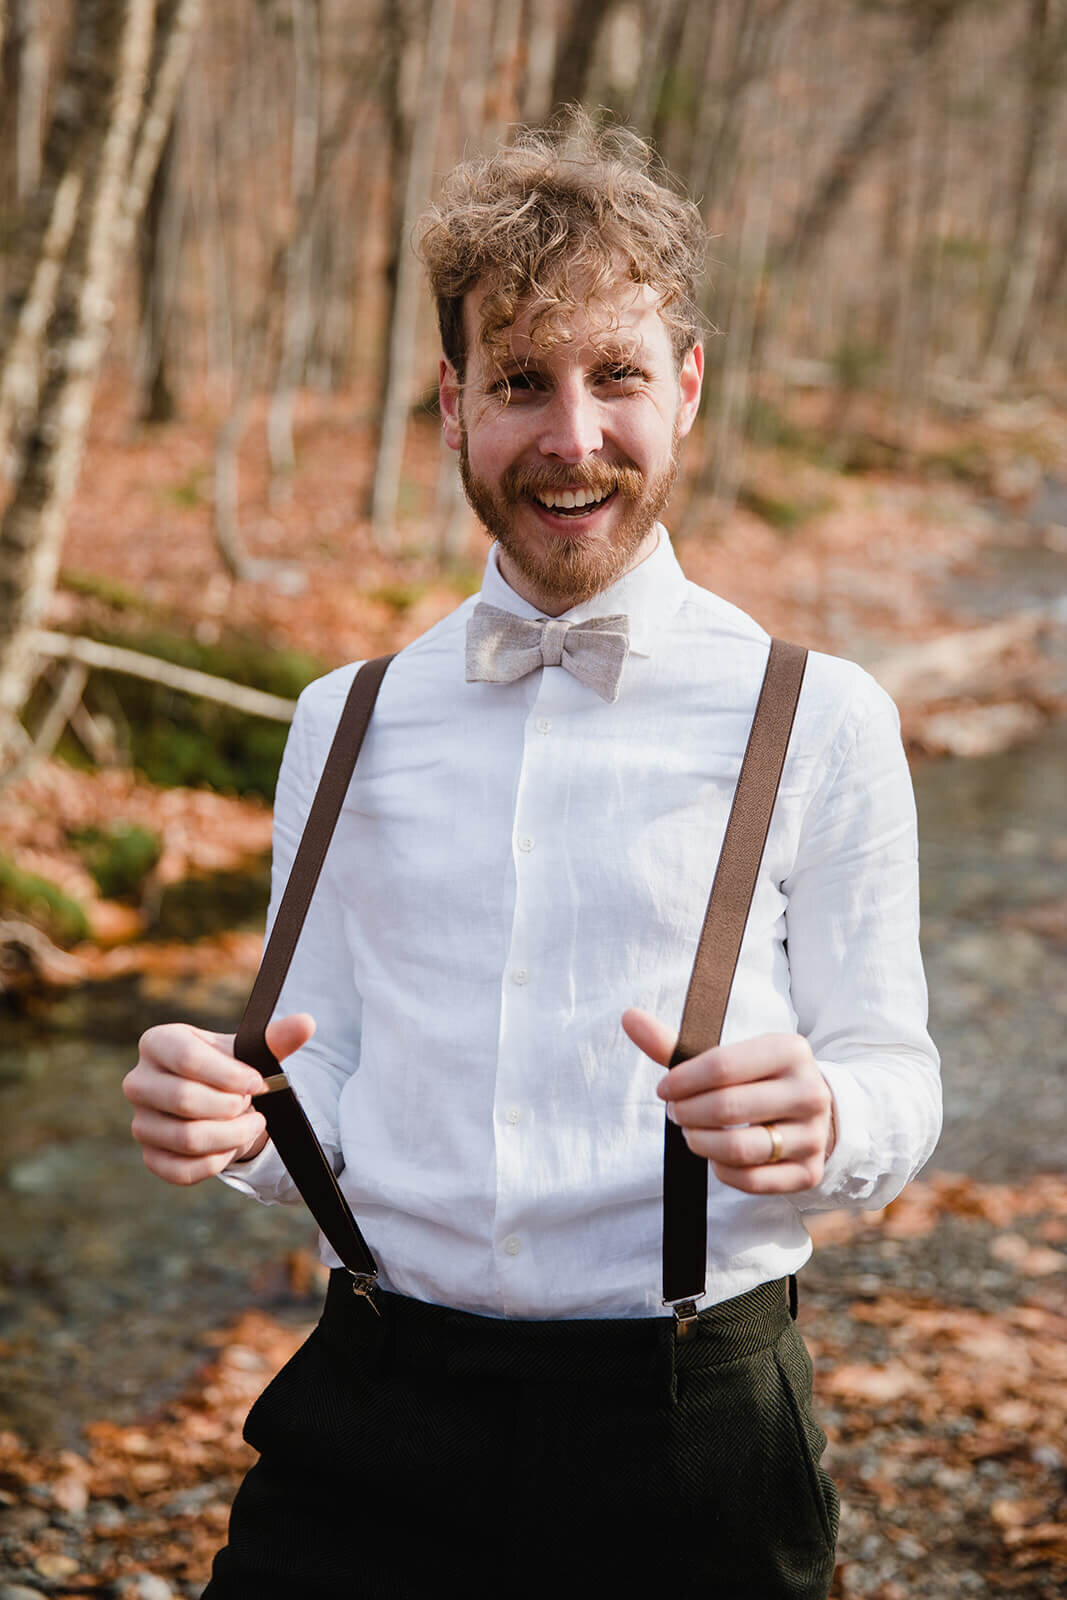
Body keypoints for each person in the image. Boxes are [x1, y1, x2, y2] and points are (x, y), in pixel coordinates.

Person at [123, 110, 941, 1599]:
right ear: (451, 405)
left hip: (694, 1429)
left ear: (685, 389)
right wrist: (238, 1124)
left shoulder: (819, 717)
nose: (572, 439)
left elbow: (902, 1072)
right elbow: (322, 1084)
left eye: (616, 376)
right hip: (373, 1408)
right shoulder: (343, 720)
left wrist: (829, 1114)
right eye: (519, 382)